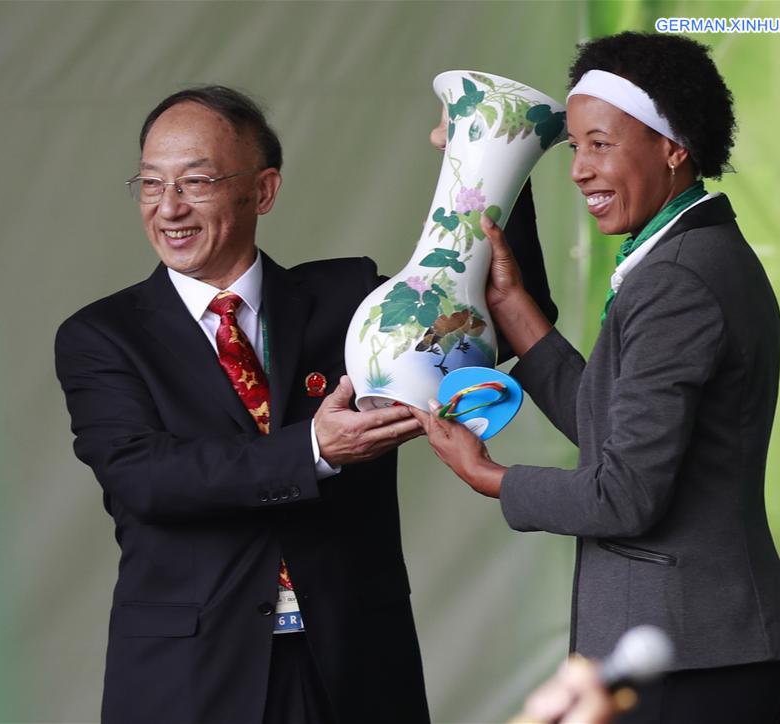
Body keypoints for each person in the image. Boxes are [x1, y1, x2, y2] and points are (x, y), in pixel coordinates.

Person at [55, 85, 556, 723]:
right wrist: (313, 450)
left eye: (196, 181)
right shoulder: (103, 336)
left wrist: (495, 165)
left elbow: (509, 315)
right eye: (151, 185)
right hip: (190, 679)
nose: (169, 208)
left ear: (262, 191)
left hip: (356, 665)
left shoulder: (351, 302)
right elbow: (145, 477)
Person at [412, 32, 780, 723]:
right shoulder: (684, 257)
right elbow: (613, 429)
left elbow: (622, 495)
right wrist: (515, 311)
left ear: (672, 146)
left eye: (600, 144)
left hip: (692, 654)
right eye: (576, 148)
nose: (578, 170)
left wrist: (490, 476)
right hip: (695, 647)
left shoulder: (678, 280)